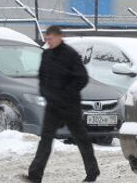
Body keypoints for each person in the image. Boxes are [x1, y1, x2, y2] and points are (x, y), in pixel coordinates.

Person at [23, 26, 100, 183]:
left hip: (70, 105)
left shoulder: (70, 55)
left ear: (59, 37)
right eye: (46, 39)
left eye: (50, 39)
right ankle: (35, 176)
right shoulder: (46, 54)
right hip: (52, 106)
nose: (48, 42)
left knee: (80, 138)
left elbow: (82, 78)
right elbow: (42, 77)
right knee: (45, 139)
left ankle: (92, 172)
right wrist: (45, 93)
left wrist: (66, 94)